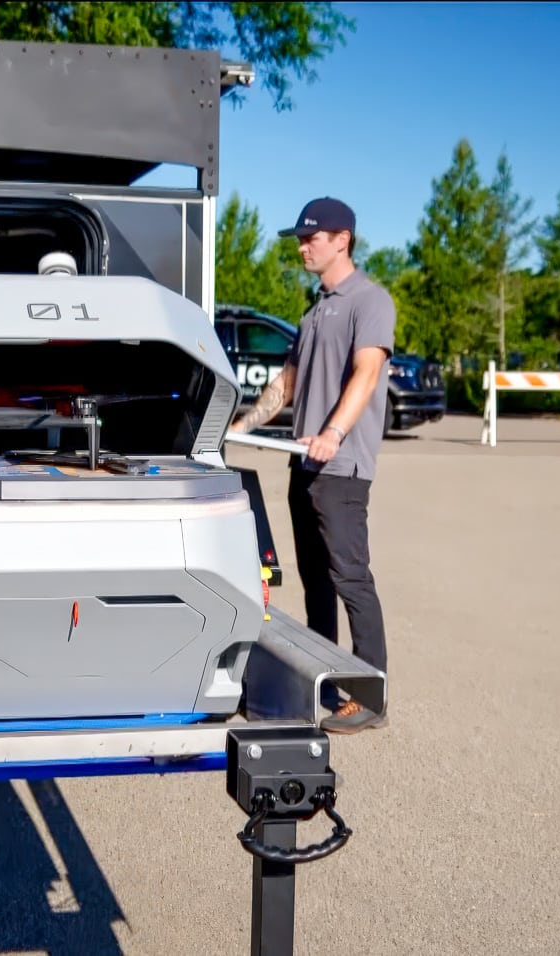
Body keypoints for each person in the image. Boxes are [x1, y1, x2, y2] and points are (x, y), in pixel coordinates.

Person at [228, 197, 393, 734]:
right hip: (306, 465)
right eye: (300, 239)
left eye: (311, 238)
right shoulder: (315, 309)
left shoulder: (370, 301)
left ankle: (371, 694)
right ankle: (323, 678)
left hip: (342, 468)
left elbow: (366, 374)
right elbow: (288, 382)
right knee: (314, 582)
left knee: (350, 578)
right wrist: (241, 426)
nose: (302, 247)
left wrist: (333, 433)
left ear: (341, 239)